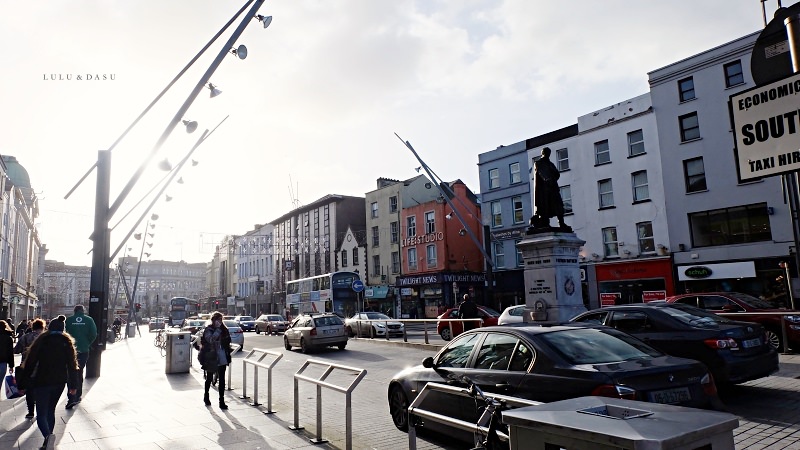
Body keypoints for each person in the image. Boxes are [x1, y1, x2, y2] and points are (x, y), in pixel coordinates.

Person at [21, 315, 79, 450]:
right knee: (50, 411)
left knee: (41, 414)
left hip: (42, 381)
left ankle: (48, 437)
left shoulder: (42, 340)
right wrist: (73, 386)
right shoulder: (67, 342)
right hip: (59, 382)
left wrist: (23, 384)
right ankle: (47, 443)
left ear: (49, 328)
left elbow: (30, 363)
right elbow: (73, 365)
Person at [64, 304, 97, 409]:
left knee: (71, 372)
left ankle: (71, 396)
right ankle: (77, 395)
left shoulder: (69, 320)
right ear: (83, 311)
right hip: (83, 350)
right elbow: (94, 333)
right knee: (79, 371)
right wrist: (87, 343)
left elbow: (65, 334)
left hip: (71, 350)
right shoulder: (89, 320)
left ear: (74, 311)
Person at [199, 311, 232, 409]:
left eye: (221, 320)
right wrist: (217, 330)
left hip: (222, 356)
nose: (219, 322)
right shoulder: (209, 329)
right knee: (209, 378)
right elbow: (210, 340)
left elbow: (228, 340)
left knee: (222, 379)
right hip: (212, 356)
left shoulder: (224, 329)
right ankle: (206, 396)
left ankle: (221, 401)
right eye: (217, 320)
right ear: (213, 320)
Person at [531, 147, 569, 230]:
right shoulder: (538, 163)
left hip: (553, 188)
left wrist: (553, 178)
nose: (548, 154)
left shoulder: (550, 164)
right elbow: (541, 173)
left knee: (558, 205)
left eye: (549, 153)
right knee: (544, 207)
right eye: (546, 153)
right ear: (543, 153)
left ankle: (561, 223)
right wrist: (547, 179)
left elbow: (557, 173)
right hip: (544, 190)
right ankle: (545, 223)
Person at [14, 318, 45, 419]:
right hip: (43, 368)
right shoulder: (46, 337)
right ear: (43, 327)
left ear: (33, 327)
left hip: (28, 367)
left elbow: (17, 350)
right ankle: (40, 410)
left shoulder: (26, 337)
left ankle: (30, 411)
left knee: (29, 390)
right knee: (41, 390)